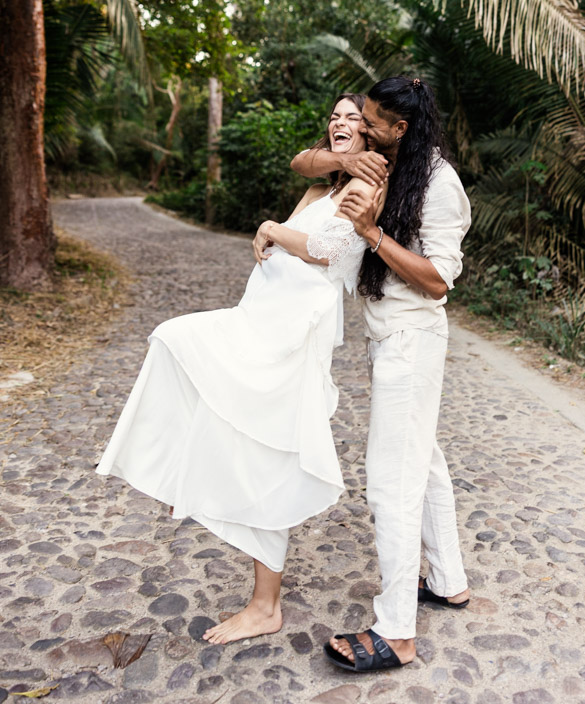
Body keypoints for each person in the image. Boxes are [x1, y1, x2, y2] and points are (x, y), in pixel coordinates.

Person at [96, 93, 384, 646]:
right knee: (174, 341)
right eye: (335, 116)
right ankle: (186, 473)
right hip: (258, 315)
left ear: (371, 134)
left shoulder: (365, 185)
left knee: (270, 450)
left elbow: (328, 249)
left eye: (354, 119)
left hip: (294, 330)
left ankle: (264, 604)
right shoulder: (324, 179)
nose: (340, 124)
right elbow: (305, 162)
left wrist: (274, 229)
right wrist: (296, 204)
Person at [291, 76, 471, 673]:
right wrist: (346, 153)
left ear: (403, 128)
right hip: (390, 339)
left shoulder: (441, 185)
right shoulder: (386, 161)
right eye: (359, 119)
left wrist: (372, 234)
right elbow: (308, 160)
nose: (361, 129)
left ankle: (396, 632)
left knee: (392, 481)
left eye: (372, 123)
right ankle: (448, 580)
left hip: (411, 340)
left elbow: (437, 279)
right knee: (428, 462)